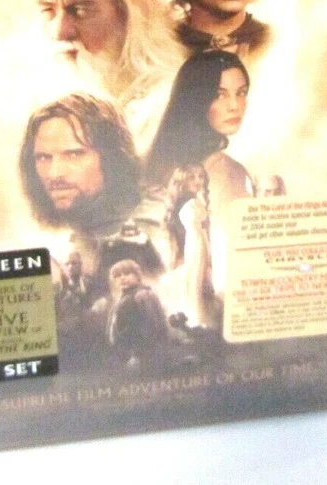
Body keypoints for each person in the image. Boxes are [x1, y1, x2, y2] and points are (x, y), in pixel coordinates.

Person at [33, 0, 184, 148]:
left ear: (128, 14)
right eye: (48, 10)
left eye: (81, 10)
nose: (59, 32)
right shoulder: (51, 103)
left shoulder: (169, 105)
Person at [19, 94, 167, 289]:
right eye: (44, 158)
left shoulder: (154, 230)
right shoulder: (79, 237)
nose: (54, 174)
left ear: (111, 157)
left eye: (74, 154)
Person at [146, 51, 253, 307]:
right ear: (196, 99)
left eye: (241, 93)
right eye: (220, 94)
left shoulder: (158, 164)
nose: (235, 105)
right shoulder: (228, 172)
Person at [98, 259, 168, 372]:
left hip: (141, 355)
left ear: (137, 276)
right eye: (118, 276)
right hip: (123, 355)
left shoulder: (143, 295)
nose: (122, 278)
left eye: (127, 273)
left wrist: (137, 355)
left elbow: (152, 327)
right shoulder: (120, 300)